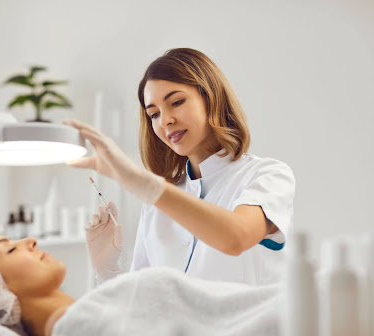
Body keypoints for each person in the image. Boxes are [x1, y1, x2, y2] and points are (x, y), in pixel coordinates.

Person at [63, 47, 295, 286]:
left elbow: (236, 238)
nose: (165, 121)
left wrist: (142, 184)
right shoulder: (157, 205)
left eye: (176, 102)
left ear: (211, 97)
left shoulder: (267, 176)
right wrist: (107, 270)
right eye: (153, 114)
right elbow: (141, 308)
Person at [0, 233, 280, 336]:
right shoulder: (84, 325)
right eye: (10, 249)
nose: (29, 241)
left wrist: (109, 270)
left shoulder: (97, 310)